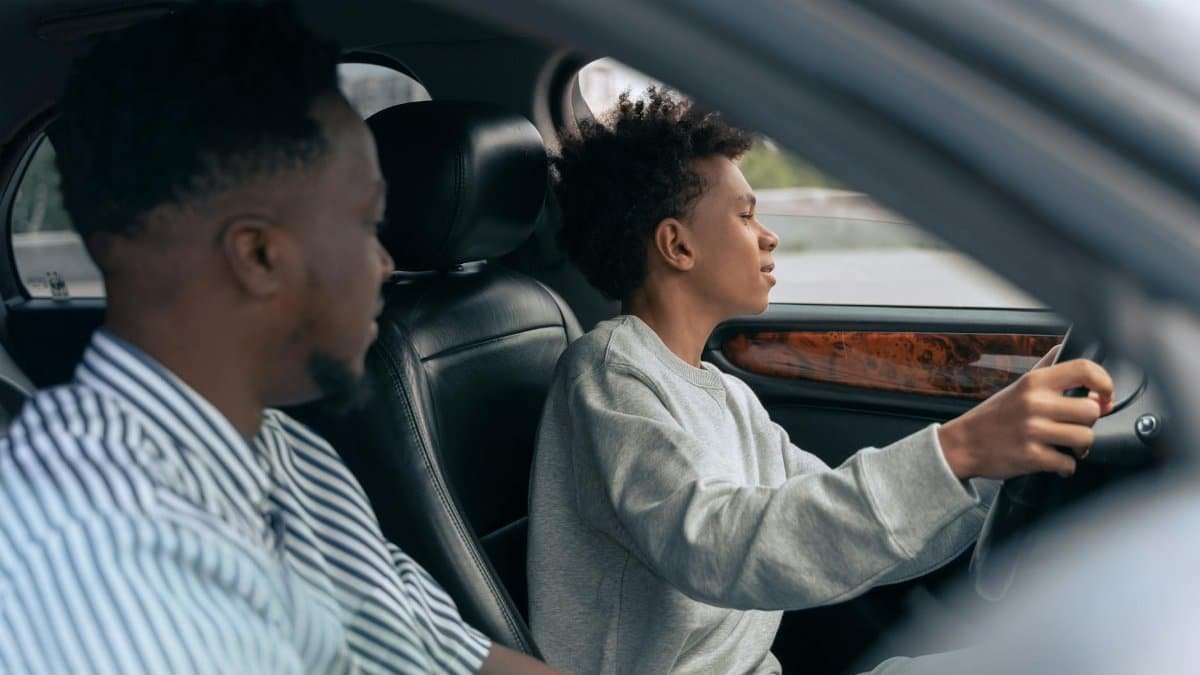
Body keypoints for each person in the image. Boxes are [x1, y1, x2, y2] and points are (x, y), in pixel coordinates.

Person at [0, 3, 556, 673]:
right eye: (365, 223)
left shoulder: (290, 454)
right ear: (259, 256)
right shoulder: (92, 537)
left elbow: (455, 657)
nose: (385, 263)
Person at [527, 87, 1114, 674]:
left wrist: (987, 468)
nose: (769, 235)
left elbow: (838, 536)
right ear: (677, 244)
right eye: (745, 214)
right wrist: (960, 449)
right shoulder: (610, 371)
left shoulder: (729, 395)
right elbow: (718, 546)